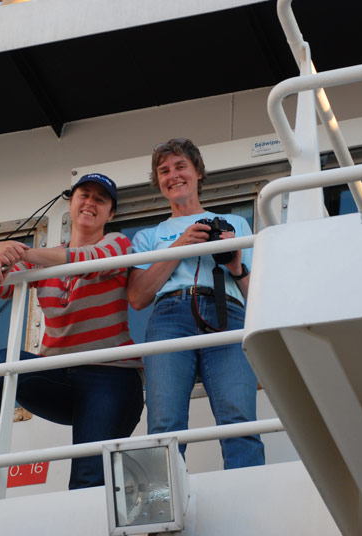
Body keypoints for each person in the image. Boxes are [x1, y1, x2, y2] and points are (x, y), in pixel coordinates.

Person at [0, 173, 143, 490]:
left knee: (87, 478)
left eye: (100, 199)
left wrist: (21, 253)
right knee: (2, 362)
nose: (90, 203)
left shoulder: (117, 243)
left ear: (111, 214)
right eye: (84, 195)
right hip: (60, 376)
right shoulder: (44, 259)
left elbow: (87, 260)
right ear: (72, 202)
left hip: (111, 377)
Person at [128, 138, 264, 469]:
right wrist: (180, 246)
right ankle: (161, 510)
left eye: (180, 167)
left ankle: (247, 498)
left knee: (239, 418)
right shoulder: (148, 236)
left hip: (228, 312)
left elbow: (259, 296)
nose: (172, 175)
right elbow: (137, 297)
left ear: (198, 172)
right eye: (163, 171)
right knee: (164, 421)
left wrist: (236, 267)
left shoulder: (236, 225)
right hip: (169, 316)